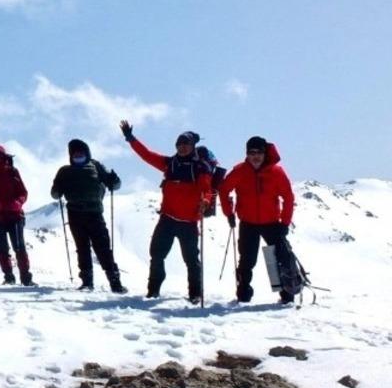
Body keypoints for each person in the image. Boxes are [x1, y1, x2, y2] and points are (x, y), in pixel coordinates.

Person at [121, 121, 214, 300]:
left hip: (188, 222)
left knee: (191, 261)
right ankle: (153, 290)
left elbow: (206, 188)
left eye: (185, 144)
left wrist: (205, 200)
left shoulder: (200, 167)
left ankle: (195, 294)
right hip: (168, 219)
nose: (182, 147)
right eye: (179, 144)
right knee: (156, 254)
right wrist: (131, 139)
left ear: (193, 146)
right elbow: (147, 155)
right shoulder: (169, 164)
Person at [218, 136, 297, 304]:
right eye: (252, 152)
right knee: (247, 259)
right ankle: (244, 291)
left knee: (278, 258)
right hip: (248, 223)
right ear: (247, 154)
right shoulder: (239, 171)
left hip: (272, 223)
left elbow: (288, 198)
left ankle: (286, 291)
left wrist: (285, 222)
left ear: (264, 153)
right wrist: (229, 213)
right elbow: (224, 190)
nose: (255, 156)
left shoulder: (276, 172)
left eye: (259, 152)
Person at [51, 138, 126, 293]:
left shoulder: (96, 166)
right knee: (82, 248)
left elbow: (115, 185)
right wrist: (57, 188)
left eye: (80, 152)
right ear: (70, 155)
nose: (77, 155)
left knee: (103, 248)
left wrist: (114, 180)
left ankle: (114, 282)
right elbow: (54, 194)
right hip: (76, 213)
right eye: (74, 153)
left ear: (87, 152)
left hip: (94, 213)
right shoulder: (64, 171)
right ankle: (88, 282)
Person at [0, 145, 32, 286]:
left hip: (14, 215)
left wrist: (18, 202)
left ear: (2, 156)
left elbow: (23, 192)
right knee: (2, 248)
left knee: (19, 246)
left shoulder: (13, 172)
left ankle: (25, 277)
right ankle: (9, 276)